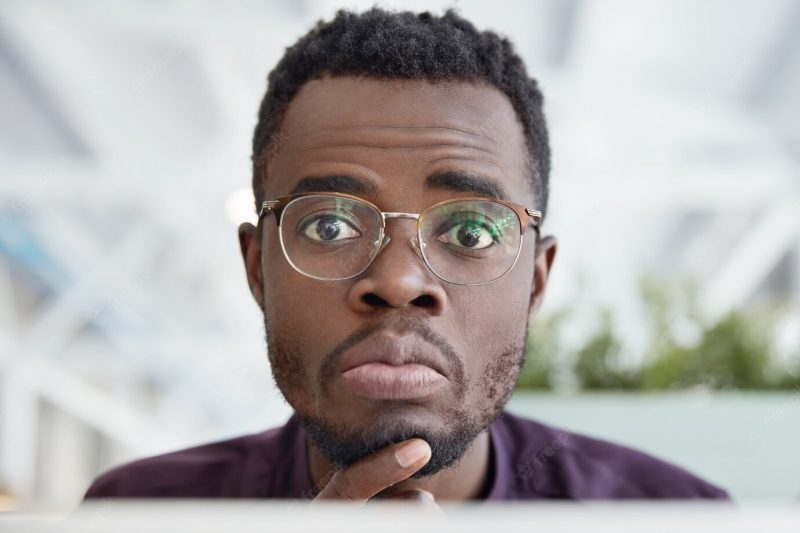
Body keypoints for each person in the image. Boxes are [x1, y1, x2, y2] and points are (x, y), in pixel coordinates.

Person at [84, 7, 728, 504]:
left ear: (536, 281)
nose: (397, 281)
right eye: (331, 226)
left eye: (472, 232)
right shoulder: (138, 513)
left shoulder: (679, 518)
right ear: (258, 268)